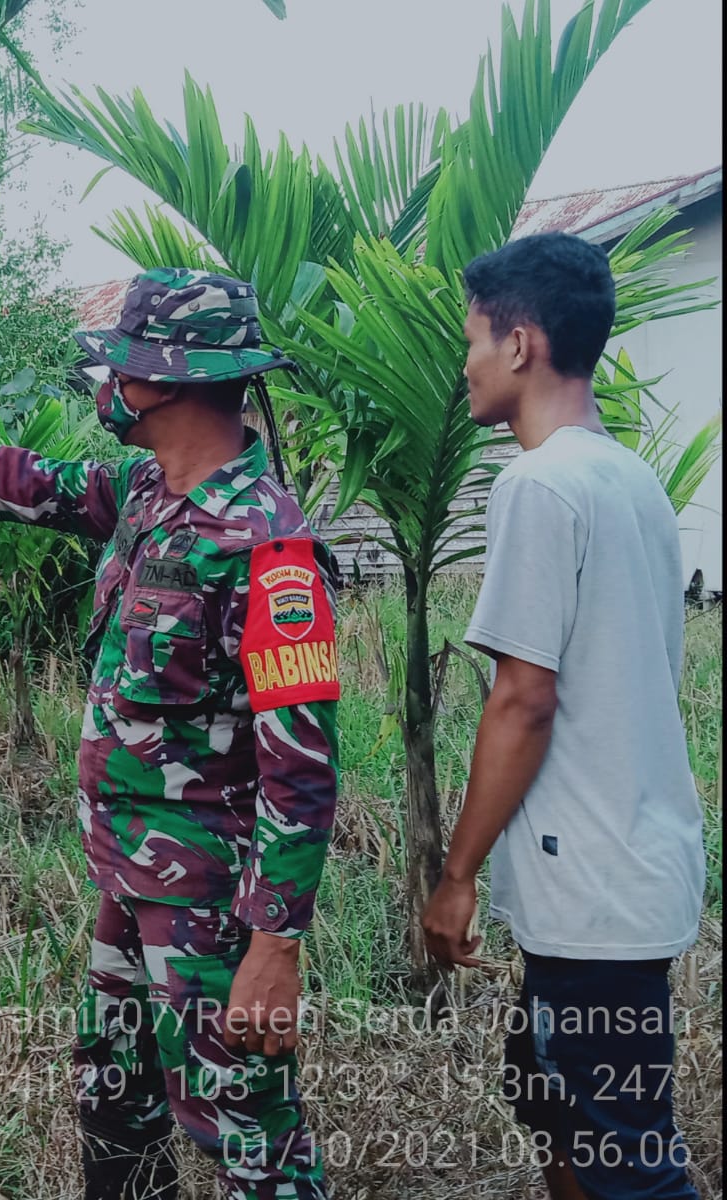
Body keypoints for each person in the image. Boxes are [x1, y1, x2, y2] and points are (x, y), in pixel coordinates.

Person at [0, 269, 340, 1200]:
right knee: (113, 1094)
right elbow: (29, 481)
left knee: (247, 1131)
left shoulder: (266, 549)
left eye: (122, 367)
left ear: (165, 380)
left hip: (207, 903)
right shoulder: (148, 493)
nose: (107, 386)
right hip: (130, 878)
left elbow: (303, 768)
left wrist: (274, 946)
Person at [421, 233, 705, 1200]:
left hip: (592, 892)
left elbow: (523, 699)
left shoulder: (539, 485)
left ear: (519, 343)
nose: (465, 364)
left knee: (628, 1158)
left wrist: (456, 875)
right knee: (561, 1112)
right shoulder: (630, 479)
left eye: (472, 340)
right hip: (631, 869)